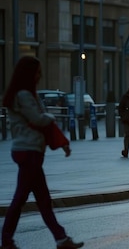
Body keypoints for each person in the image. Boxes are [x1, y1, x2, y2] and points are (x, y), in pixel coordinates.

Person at [1, 56, 84, 249]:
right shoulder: (23, 95)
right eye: (38, 72)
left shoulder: (26, 94)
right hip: (28, 150)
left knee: (42, 199)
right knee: (22, 197)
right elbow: (38, 119)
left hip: (31, 150)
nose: (40, 76)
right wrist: (50, 116)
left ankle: (61, 238)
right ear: (29, 73)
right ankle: (6, 240)